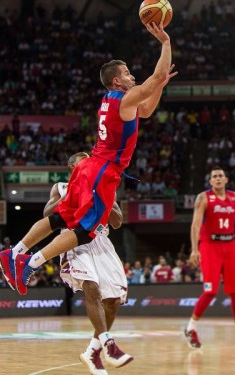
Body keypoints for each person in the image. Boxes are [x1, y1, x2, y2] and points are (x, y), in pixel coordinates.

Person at [0, 21, 177, 296]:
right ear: (117, 80)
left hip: (89, 166)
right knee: (85, 230)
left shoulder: (112, 100)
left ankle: (14, 252)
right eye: (128, 73)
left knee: (60, 217)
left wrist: (160, 85)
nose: (132, 76)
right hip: (103, 171)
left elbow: (147, 109)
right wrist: (165, 43)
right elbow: (156, 76)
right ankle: (29, 264)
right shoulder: (124, 99)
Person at [43, 152, 131, 373]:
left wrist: (101, 194)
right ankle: (108, 344)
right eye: (85, 162)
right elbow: (47, 213)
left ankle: (92, 351)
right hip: (74, 240)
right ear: (73, 167)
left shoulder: (105, 182)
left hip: (100, 241)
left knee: (113, 301)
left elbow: (118, 222)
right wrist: (75, 192)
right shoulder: (61, 187)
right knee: (91, 288)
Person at [184, 167, 235, 350]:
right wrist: (194, 249)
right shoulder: (203, 198)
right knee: (210, 291)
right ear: (211, 181)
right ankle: (191, 328)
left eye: (221, 176)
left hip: (230, 246)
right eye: (214, 176)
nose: (218, 178)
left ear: (226, 179)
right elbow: (196, 224)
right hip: (209, 246)